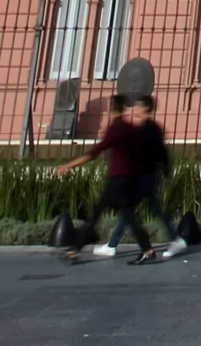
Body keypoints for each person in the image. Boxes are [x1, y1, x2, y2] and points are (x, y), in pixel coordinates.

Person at [56, 92, 184, 262]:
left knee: (117, 213)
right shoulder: (132, 128)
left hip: (126, 178)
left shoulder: (122, 128)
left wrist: (67, 165)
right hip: (131, 177)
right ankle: (135, 247)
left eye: (139, 106)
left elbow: (95, 152)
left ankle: (148, 246)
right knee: (126, 214)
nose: (135, 109)